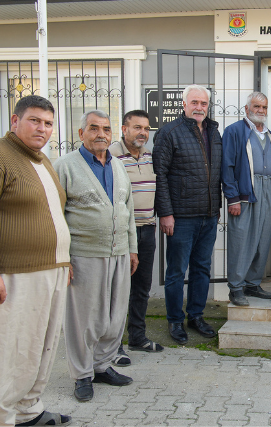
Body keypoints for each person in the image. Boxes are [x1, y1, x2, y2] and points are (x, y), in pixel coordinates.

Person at [0, 95, 72, 426]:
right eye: (34, 120)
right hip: (6, 276)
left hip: (48, 273)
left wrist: (64, 259)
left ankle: (27, 411)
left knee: (35, 350)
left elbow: (53, 217)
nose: (42, 128)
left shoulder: (41, 162)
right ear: (14, 120)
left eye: (48, 123)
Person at [55, 110, 138, 402]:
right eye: (93, 128)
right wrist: (62, 259)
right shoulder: (64, 167)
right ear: (81, 134)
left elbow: (127, 212)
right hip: (83, 254)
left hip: (118, 253)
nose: (101, 134)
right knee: (84, 319)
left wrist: (132, 248)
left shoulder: (118, 166)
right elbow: (55, 218)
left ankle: (102, 366)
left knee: (115, 316)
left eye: (105, 128)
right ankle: (81, 375)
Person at [154, 84, 222, 344]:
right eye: (194, 102)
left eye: (203, 103)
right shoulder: (169, 133)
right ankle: (174, 320)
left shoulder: (214, 133)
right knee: (176, 271)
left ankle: (196, 315)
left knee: (202, 269)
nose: (199, 107)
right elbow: (160, 176)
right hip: (180, 218)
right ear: (184, 105)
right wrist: (166, 213)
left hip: (208, 215)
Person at [108, 110, 163, 365]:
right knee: (119, 289)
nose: (143, 133)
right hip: (122, 232)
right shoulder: (111, 156)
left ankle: (137, 337)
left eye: (146, 129)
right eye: (137, 127)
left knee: (141, 288)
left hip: (147, 229)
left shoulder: (150, 156)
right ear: (124, 129)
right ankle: (114, 345)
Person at [221, 92, 271, 306]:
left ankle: (253, 284)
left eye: (264, 107)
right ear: (247, 109)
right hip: (245, 193)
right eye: (256, 106)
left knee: (262, 240)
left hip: (265, 190)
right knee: (240, 240)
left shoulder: (269, 134)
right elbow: (226, 166)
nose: (261, 111)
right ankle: (236, 288)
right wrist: (233, 198)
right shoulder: (234, 131)